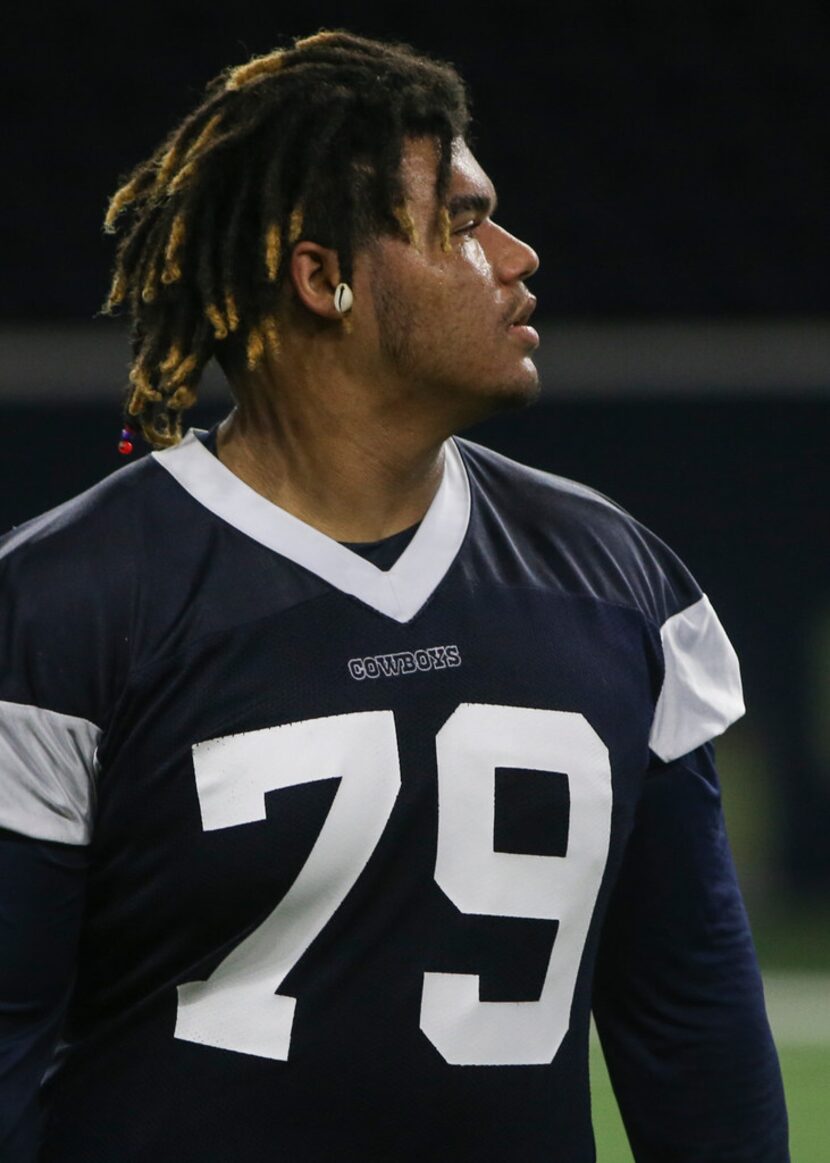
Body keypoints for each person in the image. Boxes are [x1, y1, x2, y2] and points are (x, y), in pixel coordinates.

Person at [0, 29, 788, 1162]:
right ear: (323, 277)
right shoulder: (64, 607)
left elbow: (690, 1027)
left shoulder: (617, 580)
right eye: (462, 224)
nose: (517, 257)